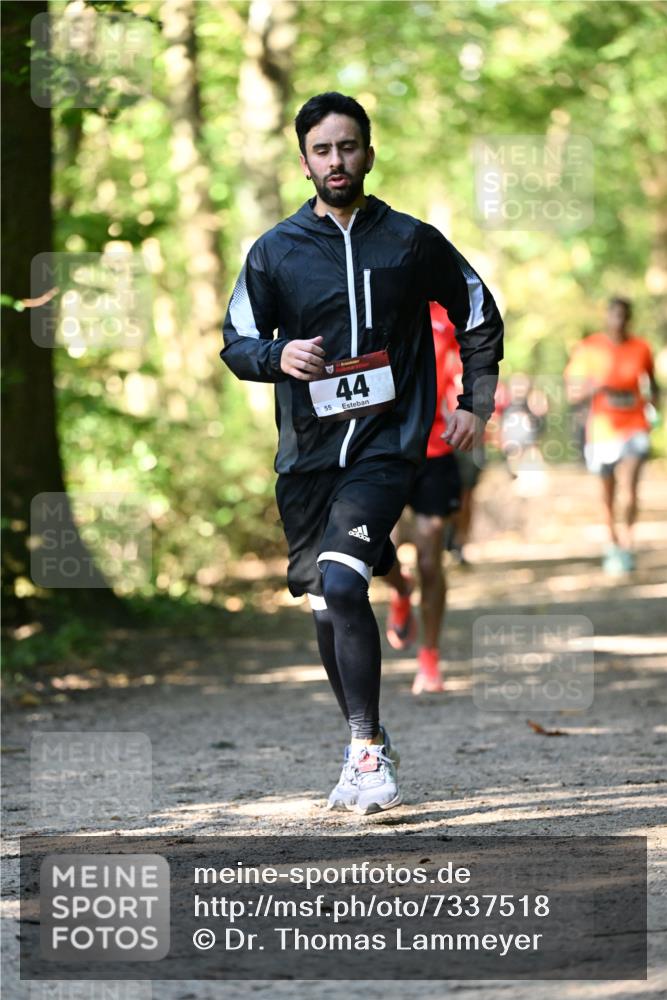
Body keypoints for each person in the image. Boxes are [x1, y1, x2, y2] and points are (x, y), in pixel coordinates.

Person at [221, 92, 504, 814]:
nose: (336, 161)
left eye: (348, 147)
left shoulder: (409, 241)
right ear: (304, 161)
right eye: (322, 150)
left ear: (368, 154)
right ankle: (364, 742)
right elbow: (236, 342)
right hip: (308, 458)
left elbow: (475, 311)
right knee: (324, 599)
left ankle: (365, 750)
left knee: (343, 583)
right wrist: (279, 355)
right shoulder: (275, 251)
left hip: (386, 445)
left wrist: (475, 399)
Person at [384, 302, 463, 694]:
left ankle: (429, 657)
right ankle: (400, 588)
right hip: (383, 448)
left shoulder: (446, 315)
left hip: (435, 449)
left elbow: (468, 362)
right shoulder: (375, 300)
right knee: (379, 552)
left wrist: (469, 406)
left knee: (432, 557)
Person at [564, 297, 659, 574]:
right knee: (607, 493)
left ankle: (627, 544)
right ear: (606, 317)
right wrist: (596, 388)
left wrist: (655, 410)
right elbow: (573, 393)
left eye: (623, 316)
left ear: (629, 319)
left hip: (635, 425)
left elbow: (653, 385)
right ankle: (612, 543)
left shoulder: (641, 347)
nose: (618, 321)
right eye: (613, 316)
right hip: (603, 430)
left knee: (629, 489)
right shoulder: (589, 348)